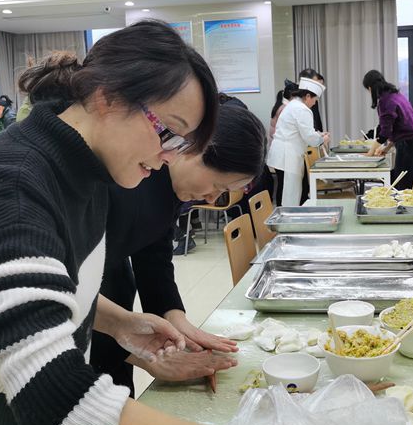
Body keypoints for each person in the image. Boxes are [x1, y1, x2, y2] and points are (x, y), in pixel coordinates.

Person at [0, 20, 220, 425]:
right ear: (108, 98)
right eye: (168, 132)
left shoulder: (84, 173)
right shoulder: (8, 189)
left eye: (181, 143)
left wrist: (119, 324)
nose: (169, 155)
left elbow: (37, 287)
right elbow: (54, 398)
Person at [92, 105, 267, 395]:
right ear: (195, 149)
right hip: (78, 314)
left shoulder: (169, 185)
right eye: (217, 185)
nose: (212, 198)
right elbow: (65, 289)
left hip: (111, 300)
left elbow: (154, 258)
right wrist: (138, 350)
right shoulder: (128, 176)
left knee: (118, 391)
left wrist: (176, 320)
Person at [267, 77, 330, 206]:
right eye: (315, 100)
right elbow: (309, 137)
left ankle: (285, 214)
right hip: (287, 155)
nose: (314, 103)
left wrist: (318, 135)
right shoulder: (302, 109)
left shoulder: (293, 104)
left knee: (285, 190)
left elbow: (299, 131)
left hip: (283, 152)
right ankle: (287, 216)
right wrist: (322, 139)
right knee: (288, 192)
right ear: (308, 96)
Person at [363, 69, 413, 189]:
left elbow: (385, 132)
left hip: (408, 145)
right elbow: (398, 127)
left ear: (370, 88)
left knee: (404, 186)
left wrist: (371, 152)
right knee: (411, 184)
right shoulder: (395, 95)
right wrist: (386, 148)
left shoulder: (385, 101)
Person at [269, 79, 297, 147]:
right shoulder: (284, 108)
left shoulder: (279, 106)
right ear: (292, 95)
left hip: (274, 139)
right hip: (278, 141)